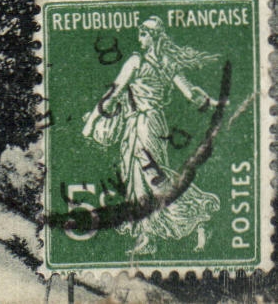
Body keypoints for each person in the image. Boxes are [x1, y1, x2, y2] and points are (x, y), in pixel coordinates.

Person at [82, 16, 222, 255]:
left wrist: (93, 120)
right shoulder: (167, 63)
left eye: (144, 33)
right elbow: (192, 94)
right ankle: (149, 236)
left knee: (149, 177)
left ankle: (196, 214)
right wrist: (215, 103)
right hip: (152, 123)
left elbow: (114, 93)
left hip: (142, 124)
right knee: (140, 178)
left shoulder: (136, 61)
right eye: (140, 32)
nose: (140, 37)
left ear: (153, 36)